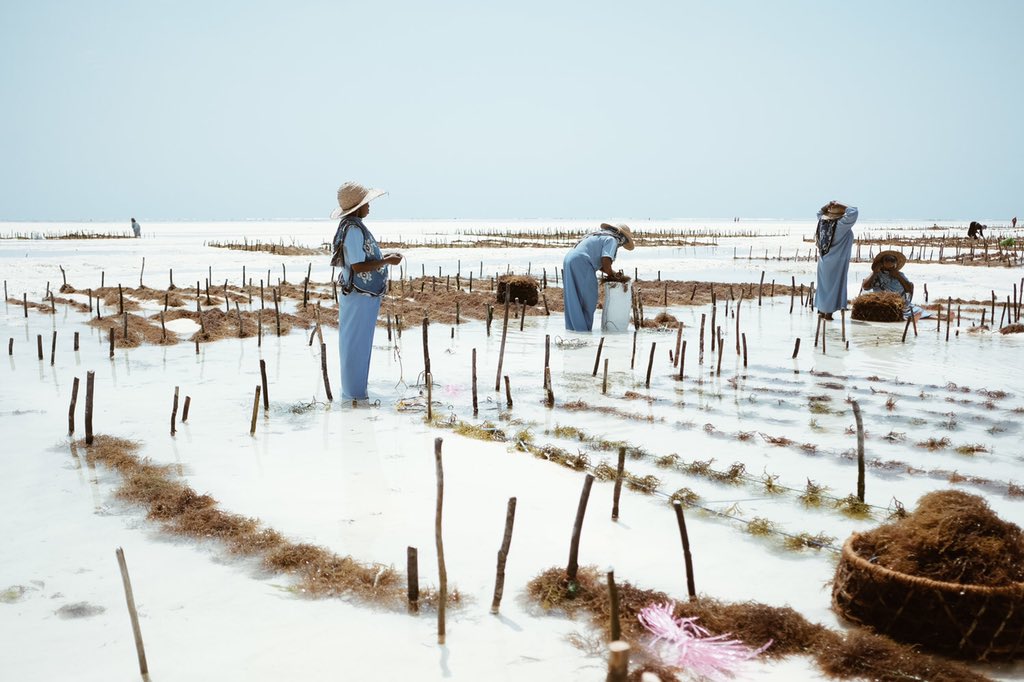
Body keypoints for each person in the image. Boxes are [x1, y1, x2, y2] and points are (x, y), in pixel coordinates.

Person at [330, 181, 402, 401]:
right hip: (359, 295)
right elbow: (358, 266)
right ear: (356, 207)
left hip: (358, 295)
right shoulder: (352, 229)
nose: (369, 206)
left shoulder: (350, 226)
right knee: (356, 345)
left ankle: (354, 393)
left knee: (355, 343)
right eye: (366, 203)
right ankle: (355, 395)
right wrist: (387, 260)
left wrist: (383, 258)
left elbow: (361, 259)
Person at [562, 223, 634, 332]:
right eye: (624, 241)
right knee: (588, 299)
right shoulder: (612, 240)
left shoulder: (599, 236)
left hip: (569, 259)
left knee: (573, 296)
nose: (622, 244)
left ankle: (573, 331)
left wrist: (612, 273)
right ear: (621, 237)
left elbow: (600, 263)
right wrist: (614, 277)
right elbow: (605, 261)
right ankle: (583, 331)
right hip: (582, 262)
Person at [814, 200, 858, 320]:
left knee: (824, 287)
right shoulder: (840, 225)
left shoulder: (823, 223)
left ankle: (822, 311)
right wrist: (841, 205)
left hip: (824, 260)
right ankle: (828, 314)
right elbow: (854, 211)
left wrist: (827, 205)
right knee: (833, 287)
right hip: (836, 262)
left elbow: (819, 212)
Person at [861, 250, 930, 321]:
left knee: (920, 312)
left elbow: (909, 289)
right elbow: (865, 287)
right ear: (882, 262)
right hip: (882, 303)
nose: (890, 262)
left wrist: (898, 276)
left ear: (895, 263)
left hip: (900, 304)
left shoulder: (900, 275)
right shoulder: (876, 275)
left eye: (892, 260)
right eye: (887, 260)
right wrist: (875, 272)